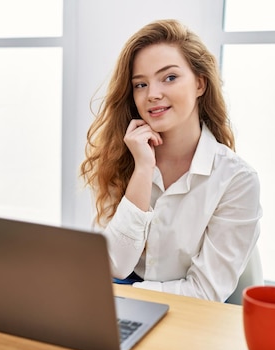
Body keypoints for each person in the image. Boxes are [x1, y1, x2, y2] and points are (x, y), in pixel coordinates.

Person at [80, 19, 262, 302]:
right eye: (140, 84)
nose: (152, 94)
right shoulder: (120, 158)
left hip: (188, 319)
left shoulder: (237, 179)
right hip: (119, 306)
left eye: (170, 78)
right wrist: (142, 170)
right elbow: (116, 264)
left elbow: (205, 292)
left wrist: (119, 294)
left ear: (200, 83)